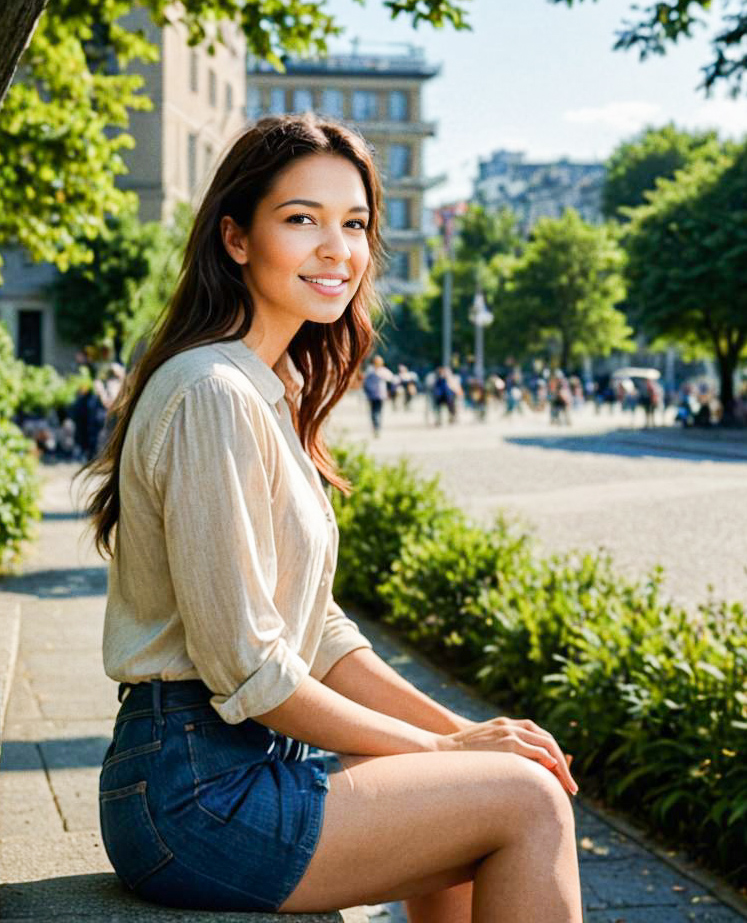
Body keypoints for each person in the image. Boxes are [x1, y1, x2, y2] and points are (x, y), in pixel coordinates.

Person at [78, 115, 582, 923]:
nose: (336, 249)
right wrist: (445, 750)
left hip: (222, 770)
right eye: (301, 219)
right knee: (523, 801)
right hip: (194, 790)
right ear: (236, 238)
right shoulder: (214, 391)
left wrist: (462, 729)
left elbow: (317, 631)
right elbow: (252, 668)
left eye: (353, 224)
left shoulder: (262, 392)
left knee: (477, 787)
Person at [363, 354, 391, 437]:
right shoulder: (371, 371)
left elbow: (390, 379)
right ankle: (376, 427)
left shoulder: (380, 371)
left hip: (378, 395)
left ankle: (377, 427)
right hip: (374, 395)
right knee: (375, 411)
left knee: (376, 411)